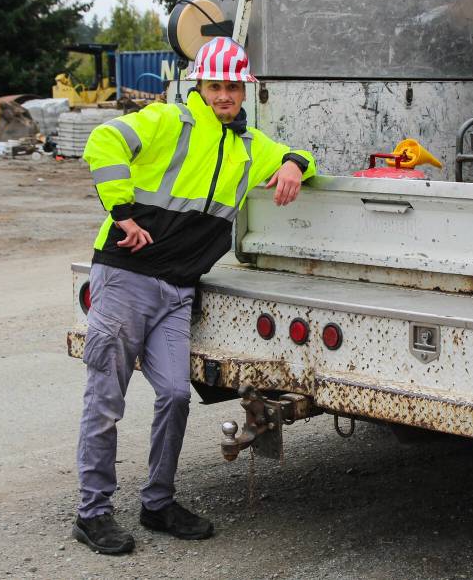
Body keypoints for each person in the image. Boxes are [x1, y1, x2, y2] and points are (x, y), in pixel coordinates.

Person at [73, 37, 315, 554]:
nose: (224, 95)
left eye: (232, 86)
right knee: (105, 400)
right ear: (199, 87)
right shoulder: (168, 121)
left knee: (177, 394)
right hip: (126, 278)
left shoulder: (250, 145)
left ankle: (157, 503)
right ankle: (92, 512)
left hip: (178, 290)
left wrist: (293, 163)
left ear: (244, 89)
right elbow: (102, 142)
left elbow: (301, 156)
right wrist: (121, 211)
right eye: (214, 85)